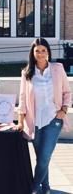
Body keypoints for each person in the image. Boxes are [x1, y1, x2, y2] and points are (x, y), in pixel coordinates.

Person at [16, 38, 72, 194]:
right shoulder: (27, 73)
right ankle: (45, 187)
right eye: (37, 51)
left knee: (44, 157)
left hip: (54, 119)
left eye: (43, 50)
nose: (40, 54)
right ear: (32, 53)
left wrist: (64, 110)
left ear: (48, 52)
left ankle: (33, 187)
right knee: (40, 157)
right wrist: (20, 121)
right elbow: (22, 98)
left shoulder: (57, 69)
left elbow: (67, 92)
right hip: (34, 122)